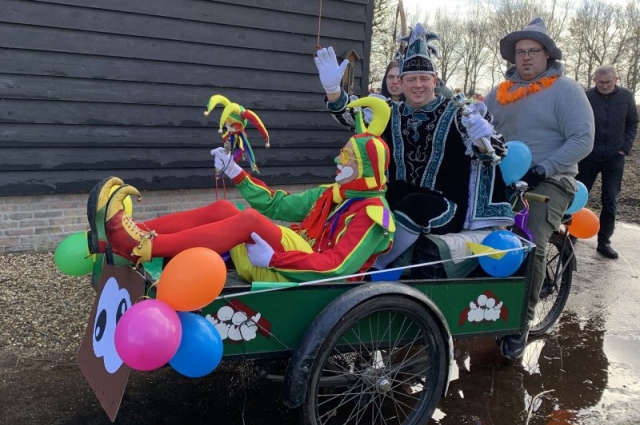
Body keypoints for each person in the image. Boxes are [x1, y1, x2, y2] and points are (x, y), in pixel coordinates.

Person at [89, 97, 396, 284]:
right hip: (288, 260)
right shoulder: (333, 193)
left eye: (347, 158)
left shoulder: (373, 215)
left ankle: (139, 247)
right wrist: (237, 173)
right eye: (342, 154)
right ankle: (129, 235)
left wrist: (274, 260)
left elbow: (338, 267)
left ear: (366, 168)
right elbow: (276, 206)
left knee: (249, 221)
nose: (338, 161)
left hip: (307, 280)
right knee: (225, 209)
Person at [315, 24, 514, 273]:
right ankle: (331, 253)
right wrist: (334, 92)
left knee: (415, 204)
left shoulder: (460, 114)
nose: (417, 85)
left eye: (424, 79)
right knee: (371, 197)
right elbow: (351, 117)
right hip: (403, 196)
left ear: (435, 80)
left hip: (447, 206)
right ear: (401, 82)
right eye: (411, 79)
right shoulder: (390, 112)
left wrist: (482, 138)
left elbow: (495, 154)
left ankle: (374, 267)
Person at [484, 17, 595, 359]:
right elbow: (479, 131)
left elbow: (583, 139)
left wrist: (543, 169)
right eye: (520, 52)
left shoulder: (566, 90)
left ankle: (520, 325)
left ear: (547, 54)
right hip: (502, 177)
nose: (526, 57)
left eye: (533, 51)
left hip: (551, 179)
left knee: (529, 237)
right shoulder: (498, 94)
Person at [576, 65, 638, 259]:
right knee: (578, 197)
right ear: (594, 81)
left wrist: (625, 148)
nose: (604, 86)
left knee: (610, 200)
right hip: (589, 157)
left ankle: (604, 242)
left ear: (616, 80)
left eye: (608, 82)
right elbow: (578, 122)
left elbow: (632, 123)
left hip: (614, 158)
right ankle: (571, 234)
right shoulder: (586, 96)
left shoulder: (626, 97)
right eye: (601, 82)